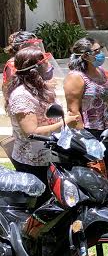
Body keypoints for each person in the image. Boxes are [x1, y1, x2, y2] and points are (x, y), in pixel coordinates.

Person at [6, 46, 79, 184]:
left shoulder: (39, 88)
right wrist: (64, 122)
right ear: (35, 70)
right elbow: (31, 132)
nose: (50, 66)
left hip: (50, 154)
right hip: (32, 161)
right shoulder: (21, 96)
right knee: (40, 196)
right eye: (45, 63)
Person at [63, 38, 108, 168]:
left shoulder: (100, 71)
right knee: (94, 169)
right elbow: (73, 110)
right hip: (91, 132)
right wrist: (86, 141)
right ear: (85, 56)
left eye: (100, 49)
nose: (100, 54)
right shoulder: (76, 77)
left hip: (107, 130)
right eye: (96, 51)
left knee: (106, 168)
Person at [2, 30, 38, 102]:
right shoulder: (12, 64)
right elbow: (11, 87)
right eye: (33, 46)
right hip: (20, 100)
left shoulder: (29, 61)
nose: (37, 49)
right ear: (22, 47)